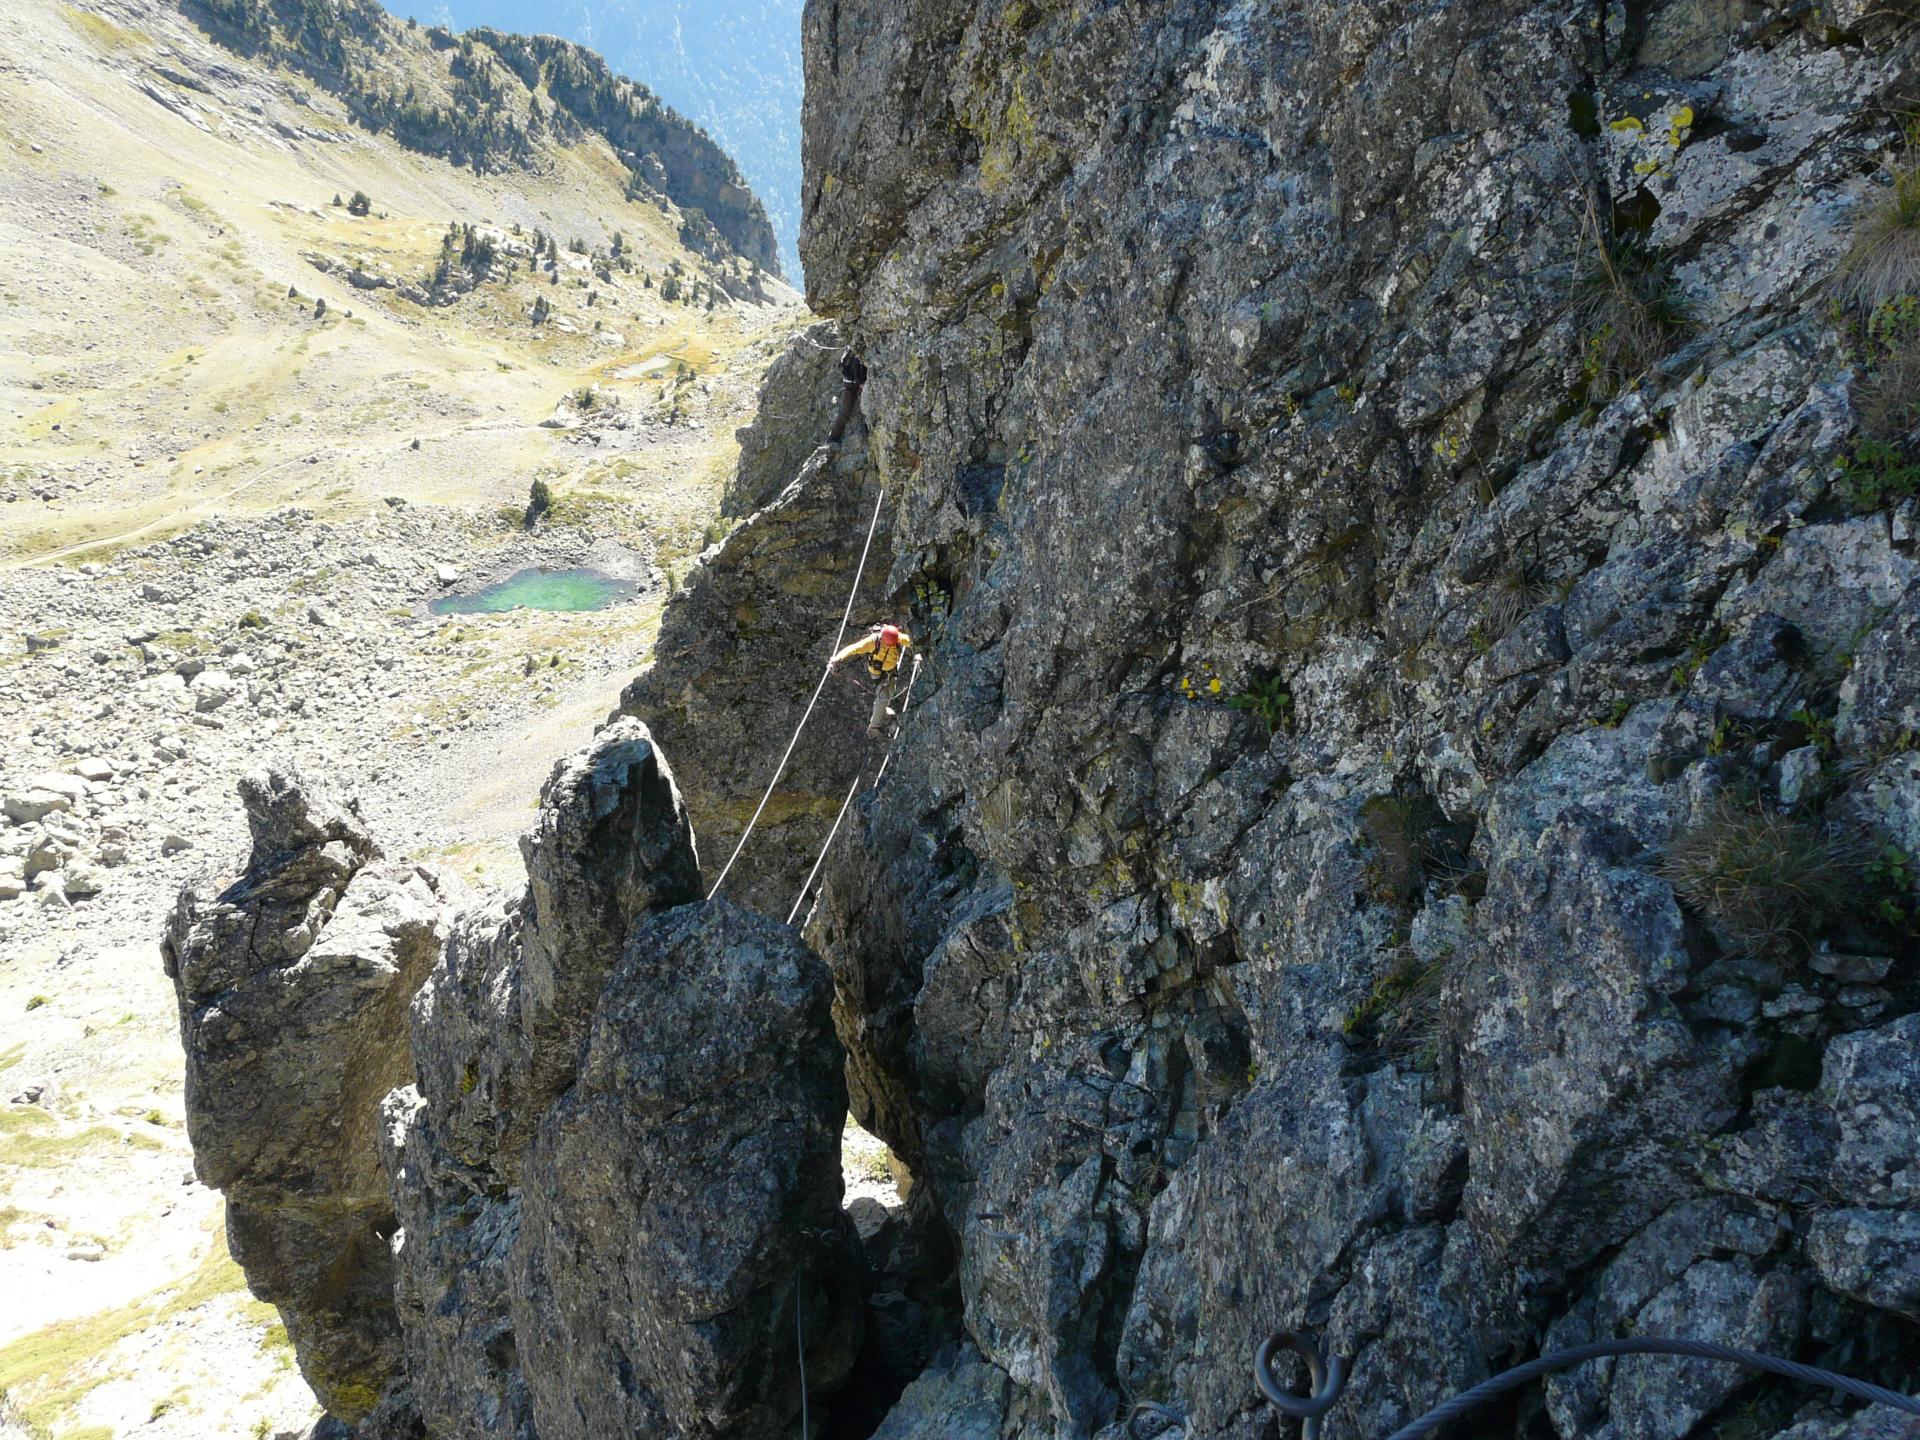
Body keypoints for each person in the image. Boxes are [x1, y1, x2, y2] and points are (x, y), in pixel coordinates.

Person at [830, 622, 913, 737]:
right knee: (883, 696)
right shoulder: (873, 641)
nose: (890, 647)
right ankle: (874, 728)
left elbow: (913, 642)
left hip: (891, 671)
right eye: (888, 645)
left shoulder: (897, 637)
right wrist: (837, 658)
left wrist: (918, 654)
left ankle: (883, 712)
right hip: (878, 673)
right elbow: (854, 648)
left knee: (889, 693)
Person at [827, 348, 868, 444]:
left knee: (845, 413)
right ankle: (832, 438)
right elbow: (857, 375)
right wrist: (862, 385)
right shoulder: (858, 356)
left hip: (849, 384)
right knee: (845, 413)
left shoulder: (853, 351)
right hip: (851, 386)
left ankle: (833, 437)